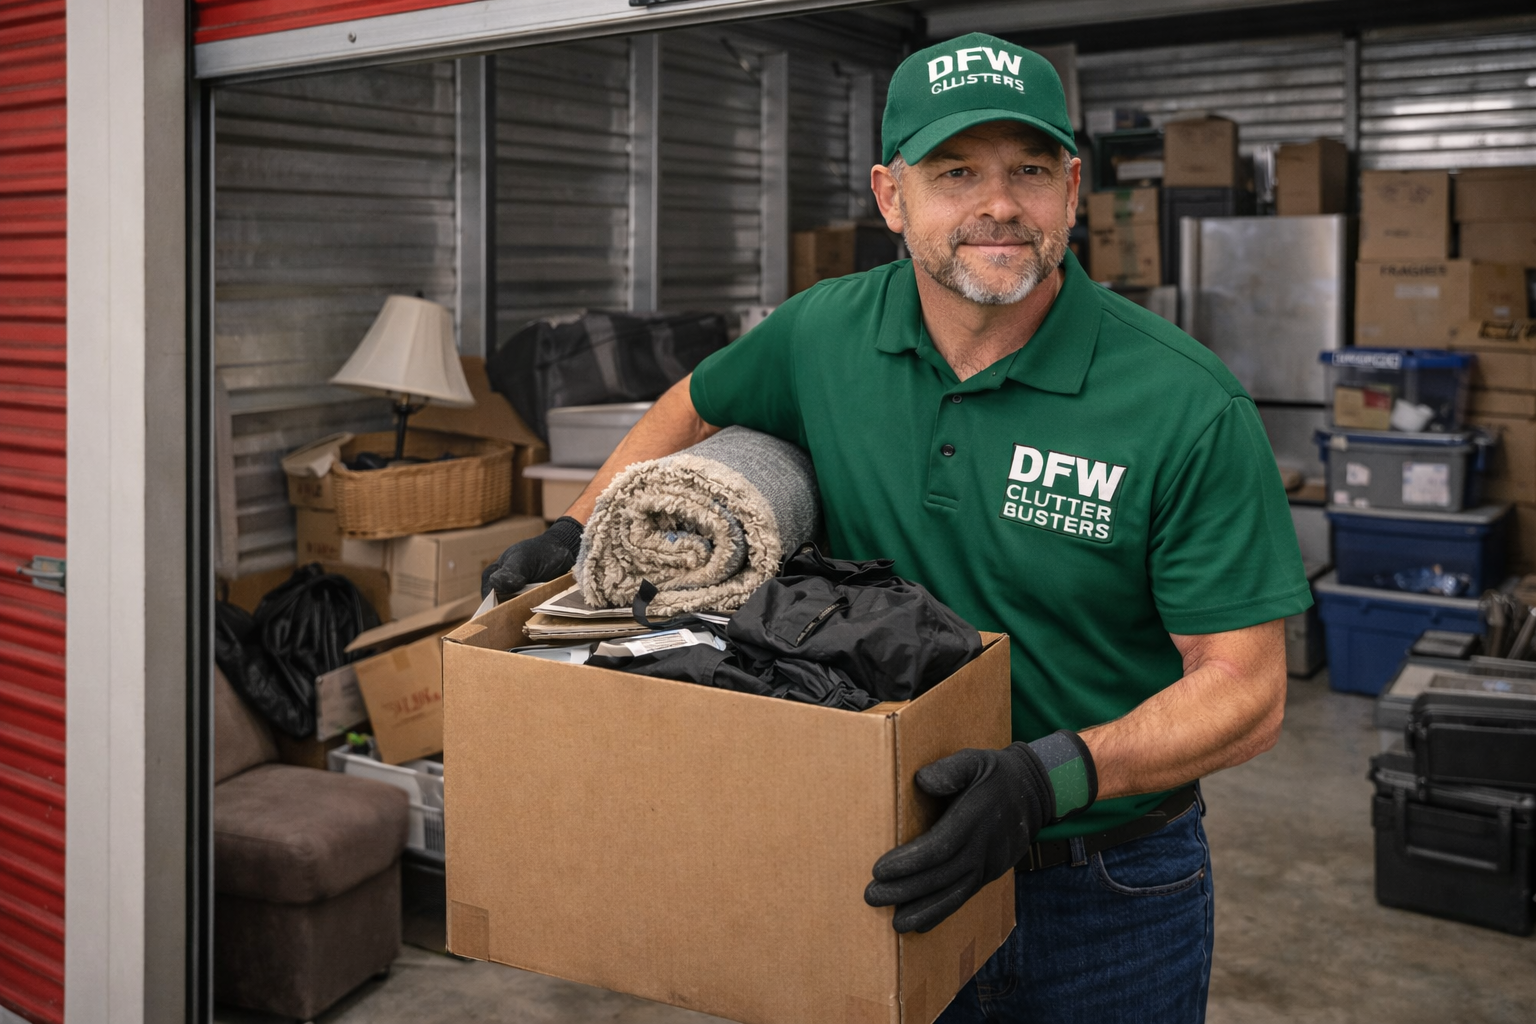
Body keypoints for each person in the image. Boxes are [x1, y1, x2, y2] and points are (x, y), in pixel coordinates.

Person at [483, 31, 1310, 1023]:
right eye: (957, 170)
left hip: (1107, 888)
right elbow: (689, 403)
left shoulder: (1183, 402)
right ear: (891, 196)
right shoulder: (823, 332)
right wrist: (579, 530)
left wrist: (1054, 775)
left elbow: (1249, 688)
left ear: (1073, 191)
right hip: (872, 850)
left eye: (1030, 170)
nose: (999, 204)